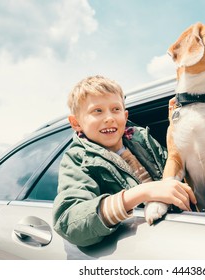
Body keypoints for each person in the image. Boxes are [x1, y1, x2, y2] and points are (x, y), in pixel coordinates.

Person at [52, 75, 196, 247]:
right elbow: (69, 222)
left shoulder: (143, 139)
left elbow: (177, 170)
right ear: (76, 123)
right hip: (142, 245)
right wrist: (142, 193)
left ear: (125, 115)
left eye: (116, 109)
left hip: (181, 229)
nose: (109, 118)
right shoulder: (77, 159)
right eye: (97, 111)